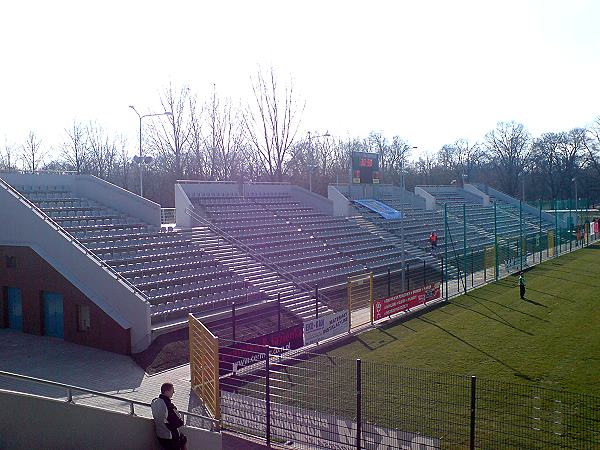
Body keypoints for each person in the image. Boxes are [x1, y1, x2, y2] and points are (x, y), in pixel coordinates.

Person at [152, 382, 187, 450]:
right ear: (167, 392)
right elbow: (179, 422)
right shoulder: (168, 406)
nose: (173, 392)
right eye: (172, 390)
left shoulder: (154, 402)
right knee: (183, 439)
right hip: (170, 437)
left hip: (160, 434)